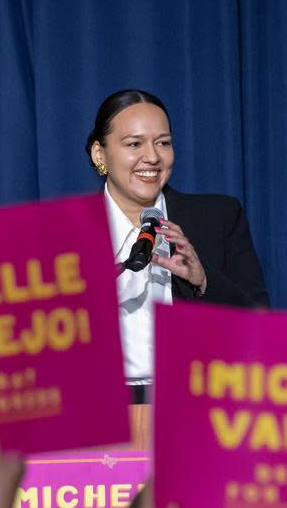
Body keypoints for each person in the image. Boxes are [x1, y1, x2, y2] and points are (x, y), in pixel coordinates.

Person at [85, 89, 269, 395]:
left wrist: (204, 281)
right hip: (101, 414)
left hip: (193, 404)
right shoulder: (68, 233)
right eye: (134, 144)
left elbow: (260, 324)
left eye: (163, 143)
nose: (153, 157)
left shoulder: (218, 216)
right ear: (99, 154)